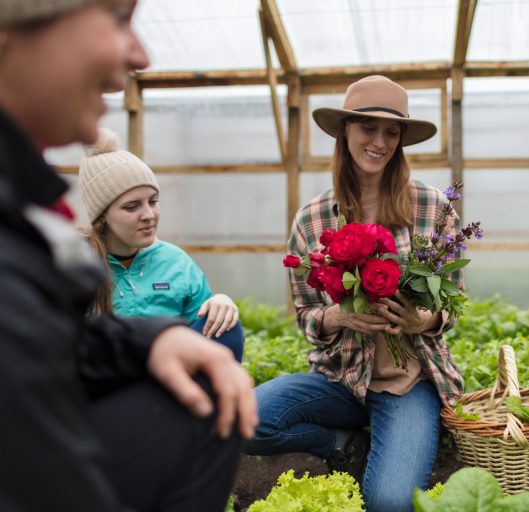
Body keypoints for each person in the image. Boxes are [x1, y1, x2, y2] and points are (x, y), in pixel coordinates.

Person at [0, 1, 256, 511]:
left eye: (153, 201)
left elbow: (47, 353)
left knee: (213, 384)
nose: (141, 56)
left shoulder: (26, 208)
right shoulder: (63, 248)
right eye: (118, 18)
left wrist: (153, 339)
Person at [244, 75, 464, 511]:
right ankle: (343, 445)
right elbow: (306, 315)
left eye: (391, 132)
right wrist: (337, 316)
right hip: (340, 381)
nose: (379, 142)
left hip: (408, 384)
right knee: (245, 421)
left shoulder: (432, 207)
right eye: (368, 128)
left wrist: (422, 320)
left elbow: (453, 302)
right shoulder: (312, 218)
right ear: (345, 130)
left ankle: (402, 435)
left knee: (389, 502)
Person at [78, 127, 245, 362]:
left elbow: (203, 329)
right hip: (102, 376)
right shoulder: (76, 265)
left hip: (168, 373)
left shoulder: (176, 262)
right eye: (132, 207)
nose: (149, 215)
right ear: (102, 215)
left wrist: (219, 303)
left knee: (226, 327)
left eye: (153, 201)